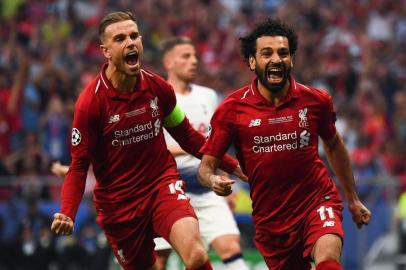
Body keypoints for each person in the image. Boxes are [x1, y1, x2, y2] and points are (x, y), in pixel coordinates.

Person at [50, 11, 246, 270]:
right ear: (106, 51)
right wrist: (67, 212)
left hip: (161, 188)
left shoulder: (158, 89)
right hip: (119, 207)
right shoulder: (90, 104)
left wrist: (231, 164)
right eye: (120, 39)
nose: (130, 43)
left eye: (134, 36)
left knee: (196, 255)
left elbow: (188, 136)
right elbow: (78, 166)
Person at [198, 18, 372, 270]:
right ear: (252, 61)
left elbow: (334, 145)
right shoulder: (231, 110)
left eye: (283, 53)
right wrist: (214, 181)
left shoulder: (315, 100)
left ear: (291, 59)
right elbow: (206, 167)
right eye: (266, 53)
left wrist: (353, 198)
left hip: (317, 200)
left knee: (328, 259)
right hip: (272, 220)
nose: (276, 60)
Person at [152, 36, 249, 270]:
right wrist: (188, 148)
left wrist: (227, 187)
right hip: (168, 189)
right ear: (169, 62)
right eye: (186, 56)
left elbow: (215, 145)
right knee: (159, 259)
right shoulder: (157, 98)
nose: (194, 61)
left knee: (230, 246)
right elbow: (149, 149)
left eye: (195, 56)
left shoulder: (208, 96)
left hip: (205, 188)